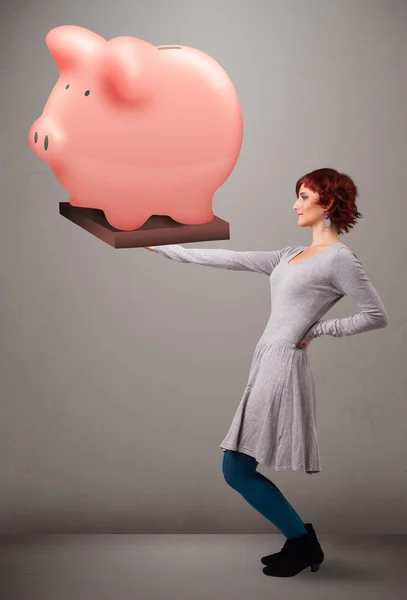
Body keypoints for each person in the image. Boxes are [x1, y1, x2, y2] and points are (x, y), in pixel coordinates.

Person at [144, 167, 388, 577]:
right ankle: (300, 543)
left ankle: (302, 544)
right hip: (265, 360)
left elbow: (376, 315)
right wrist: (162, 245)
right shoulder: (289, 255)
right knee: (239, 468)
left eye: (305, 196)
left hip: (283, 365)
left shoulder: (340, 259)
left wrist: (321, 329)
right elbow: (230, 259)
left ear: (327, 203)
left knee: (235, 469)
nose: (295, 204)